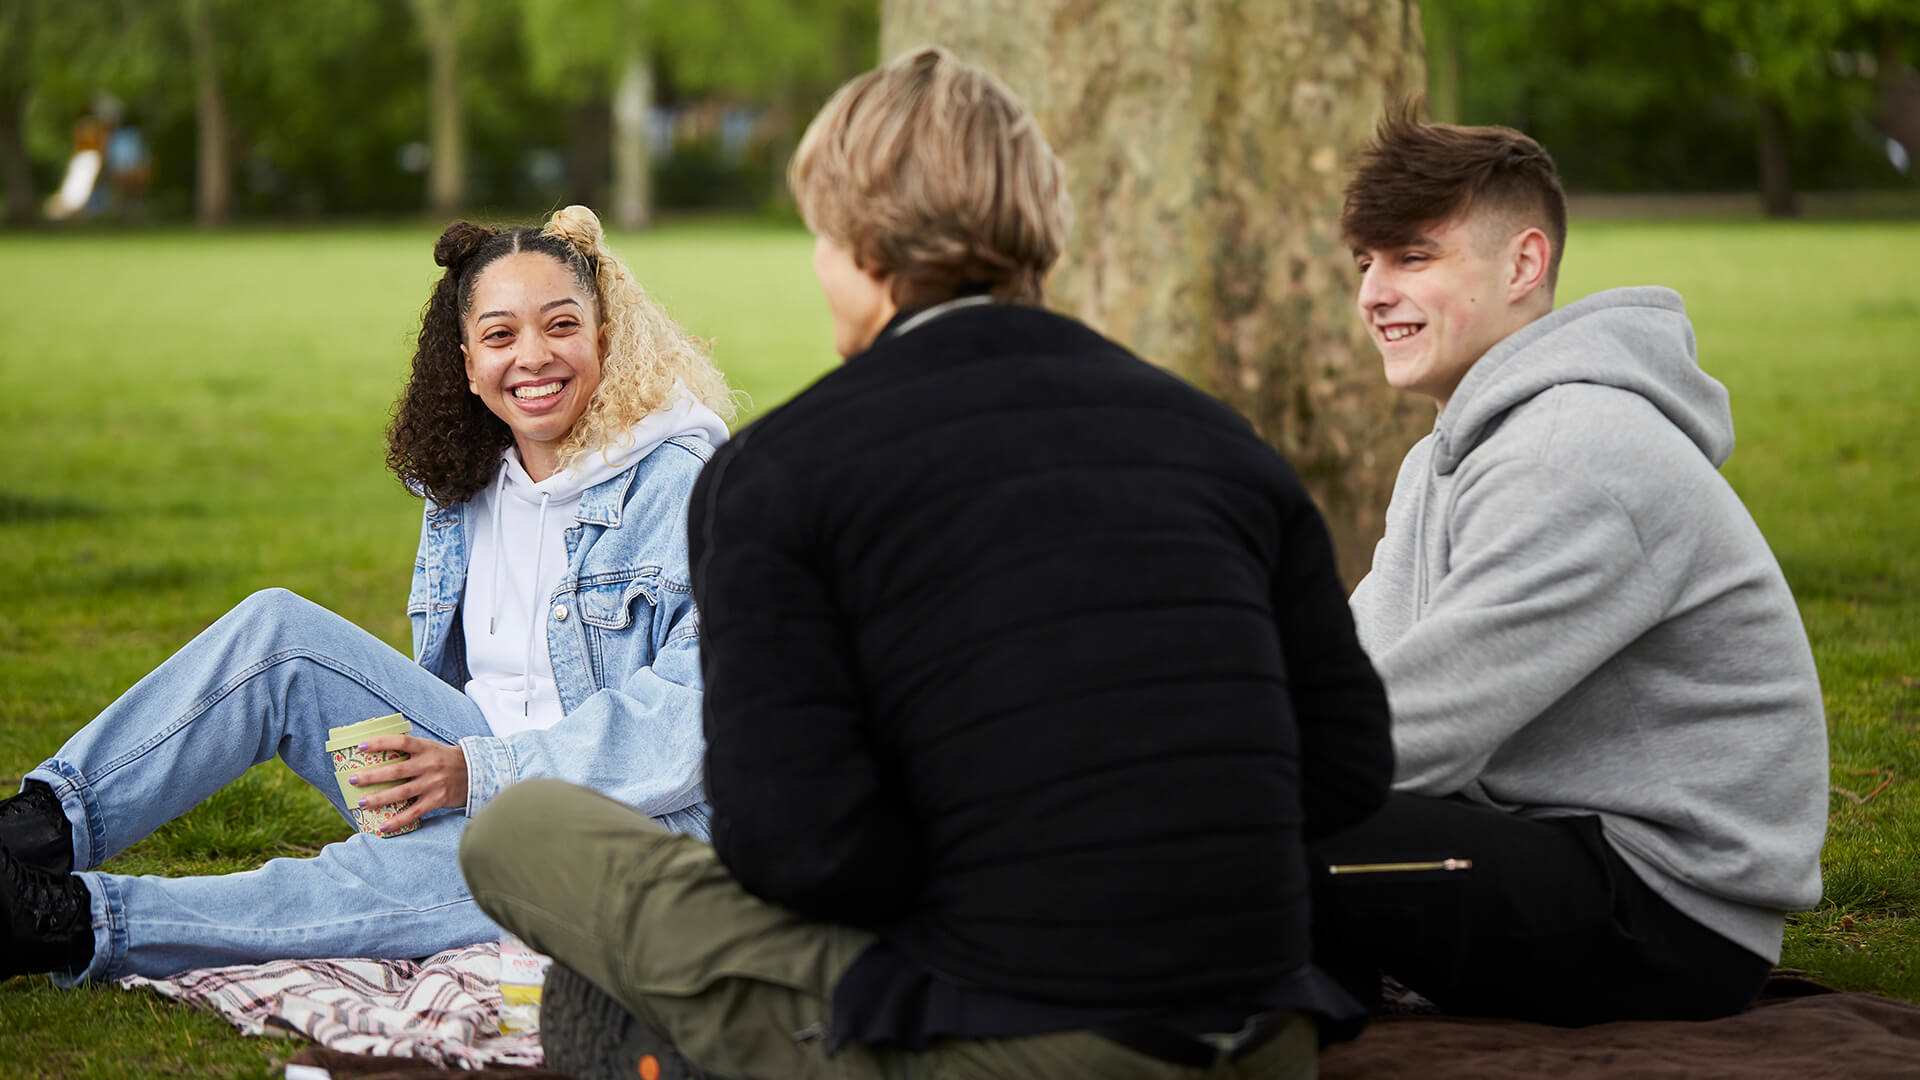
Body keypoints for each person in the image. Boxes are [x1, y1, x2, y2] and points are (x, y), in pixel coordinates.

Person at [461, 48, 1392, 1079]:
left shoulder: (783, 471)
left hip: (1010, 1035)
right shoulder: (1222, 441)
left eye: (820, 237)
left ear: (860, 247)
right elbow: (1348, 772)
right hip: (1268, 1034)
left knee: (522, 829)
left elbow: (798, 856)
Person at [0, 205, 732, 984]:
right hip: (467, 763)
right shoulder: (467, 480)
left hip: (630, 824)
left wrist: (476, 773)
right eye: (499, 335)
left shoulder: (679, 483)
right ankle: (32, 835)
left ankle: (63, 924)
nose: (533, 358)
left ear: (604, 339)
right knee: (277, 634)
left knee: (398, 875)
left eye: (560, 326)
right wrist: (454, 769)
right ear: (466, 361)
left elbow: (690, 726)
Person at [1318, 106, 1829, 1024]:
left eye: (1414, 258)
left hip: (1671, 914)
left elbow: (1427, 727)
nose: (1374, 293)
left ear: (1523, 264)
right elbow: (1360, 675)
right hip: (1551, 844)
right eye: (1366, 264)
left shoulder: (1576, 451)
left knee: (1271, 832)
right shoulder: (1447, 456)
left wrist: (1199, 774)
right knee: (1254, 824)